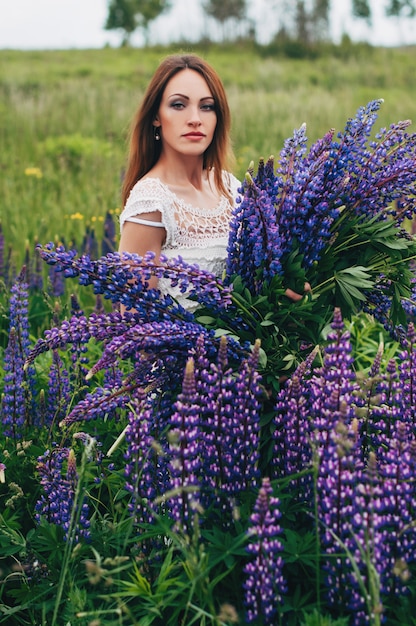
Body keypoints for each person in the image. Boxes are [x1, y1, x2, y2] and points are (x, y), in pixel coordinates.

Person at [118, 53, 240, 310]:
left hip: (250, 350)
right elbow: (134, 325)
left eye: (207, 106)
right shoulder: (151, 202)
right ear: (156, 116)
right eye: (178, 105)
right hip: (181, 350)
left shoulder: (232, 188)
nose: (195, 118)